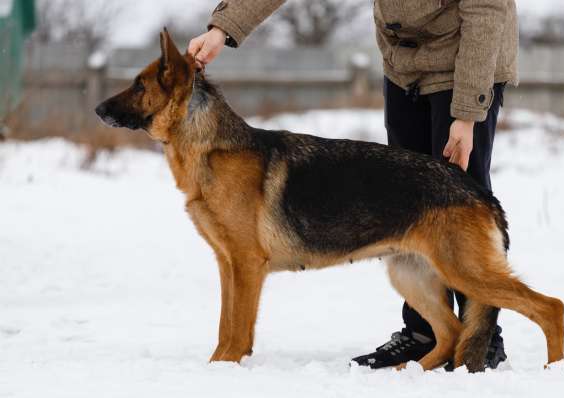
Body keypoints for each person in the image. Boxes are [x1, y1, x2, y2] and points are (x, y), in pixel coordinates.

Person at [188, 0, 517, 370]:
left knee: (459, 201)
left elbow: (487, 10)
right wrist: (223, 28)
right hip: (405, 69)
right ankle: (424, 333)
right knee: (405, 206)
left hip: (466, 63)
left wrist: (466, 114)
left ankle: (483, 340)